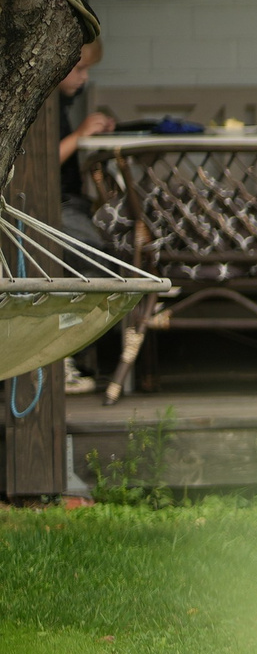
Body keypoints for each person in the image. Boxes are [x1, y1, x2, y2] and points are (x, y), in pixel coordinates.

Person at [54, 40, 118, 394]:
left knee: (109, 249)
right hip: (51, 206)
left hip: (70, 202)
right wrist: (79, 136)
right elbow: (41, 162)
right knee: (92, 258)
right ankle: (62, 357)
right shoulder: (41, 105)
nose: (85, 78)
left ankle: (76, 356)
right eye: (79, 69)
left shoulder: (62, 103)